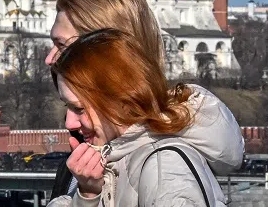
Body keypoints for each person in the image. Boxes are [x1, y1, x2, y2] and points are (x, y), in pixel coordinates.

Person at [45, 0, 243, 201]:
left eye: (63, 46)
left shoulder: (163, 164)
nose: (50, 58)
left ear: (110, 50)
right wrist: (88, 196)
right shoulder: (86, 157)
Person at [51, 28, 229, 206]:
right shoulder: (120, 159)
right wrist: (88, 195)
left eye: (79, 108)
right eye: (68, 107)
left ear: (120, 99)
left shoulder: (165, 168)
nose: (69, 123)